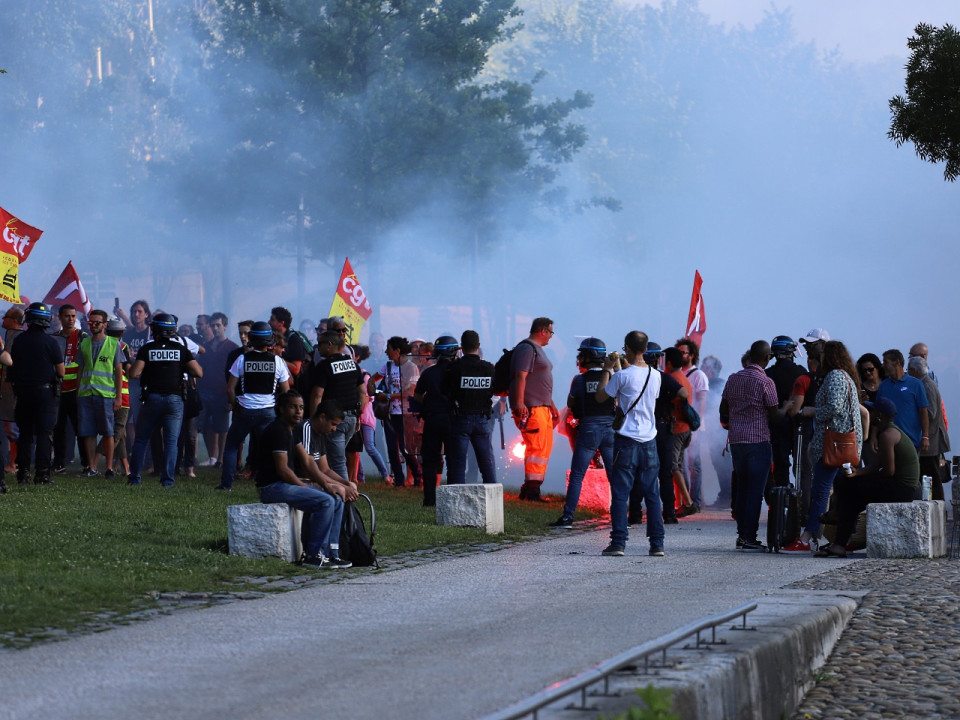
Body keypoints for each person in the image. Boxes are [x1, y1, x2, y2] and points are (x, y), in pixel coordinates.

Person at [783, 340, 864, 554]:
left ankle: (808, 537)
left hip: (833, 445)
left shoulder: (835, 376)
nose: (818, 358)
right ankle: (840, 538)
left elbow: (835, 407)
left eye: (822, 355)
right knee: (841, 493)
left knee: (820, 492)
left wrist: (813, 411)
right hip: (841, 443)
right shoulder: (845, 376)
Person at [256, 392, 352, 569]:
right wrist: (307, 488)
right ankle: (313, 555)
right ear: (282, 409)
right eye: (293, 407)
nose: (298, 412)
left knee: (336, 499)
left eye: (301, 407)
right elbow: (283, 470)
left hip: (285, 485)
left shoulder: (292, 431)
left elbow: (308, 461)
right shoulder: (278, 430)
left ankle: (332, 554)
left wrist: (329, 485)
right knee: (324, 501)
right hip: (272, 487)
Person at [816, 397, 919, 558]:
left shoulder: (888, 436)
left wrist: (861, 479)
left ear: (879, 416)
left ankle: (836, 514)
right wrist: (858, 473)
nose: (869, 414)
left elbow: (888, 471)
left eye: (873, 411)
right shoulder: (890, 431)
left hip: (902, 489)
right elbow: (877, 464)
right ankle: (840, 544)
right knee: (852, 496)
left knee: (847, 485)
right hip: (900, 486)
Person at [595, 331, 665, 557]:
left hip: (626, 441)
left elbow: (600, 397)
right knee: (652, 494)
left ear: (626, 347)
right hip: (649, 441)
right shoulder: (656, 375)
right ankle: (657, 544)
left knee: (621, 493)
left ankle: (618, 543)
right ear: (645, 349)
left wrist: (607, 368)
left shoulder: (621, 376)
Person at [126, 313, 202, 488]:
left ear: (154, 329)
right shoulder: (181, 349)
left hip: (151, 399)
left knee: (141, 439)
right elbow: (199, 372)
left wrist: (129, 365)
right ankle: (168, 480)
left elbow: (135, 373)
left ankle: (134, 478)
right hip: (175, 400)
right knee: (171, 441)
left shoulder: (147, 348)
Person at [720, 340, 781, 552]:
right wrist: (790, 408)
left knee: (743, 490)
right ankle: (749, 537)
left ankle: (741, 535)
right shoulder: (766, 382)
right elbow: (775, 415)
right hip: (758, 442)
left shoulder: (733, 378)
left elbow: (723, 410)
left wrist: (737, 421)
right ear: (766, 358)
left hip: (737, 442)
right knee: (755, 492)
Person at [217, 321, 291, 490]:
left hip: (245, 410)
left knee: (232, 446)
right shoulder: (278, 361)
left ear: (251, 338)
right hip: (268, 412)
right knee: (271, 449)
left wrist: (235, 405)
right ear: (270, 340)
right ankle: (270, 482)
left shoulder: (242, 359)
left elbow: (230, 388)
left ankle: (226, 484)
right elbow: (286, 391)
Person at [550, 337, 616, 528]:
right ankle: (620, 516)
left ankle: (568, 517)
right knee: (614, 475)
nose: (579, 358)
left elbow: (571, 404)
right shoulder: (612, 377)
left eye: (582, 354)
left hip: (589, 428)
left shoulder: (579, 380)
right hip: (610, 428)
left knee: (578, 474)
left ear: (589, 356)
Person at [510, 317, 559, 502]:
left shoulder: (537, 350)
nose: (551, 337)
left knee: (542, 449)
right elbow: (520, 376)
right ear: (542, 331)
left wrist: (551, 405)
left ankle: (531, 488)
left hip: (542, 407)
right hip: (531, 408)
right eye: (551, 333)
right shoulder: (526, 349)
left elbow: (539, 382)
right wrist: (520, 403)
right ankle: (532, 492)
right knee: (536, 449)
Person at [9, 302, 58, 486]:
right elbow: (60, 371)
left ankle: (23, 473)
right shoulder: (51, 342)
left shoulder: (18, 340)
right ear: (47, 320)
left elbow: (13, 369)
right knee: (45, 434)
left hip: (23, 393)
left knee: (25, 434)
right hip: (45, 394)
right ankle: (42, 474)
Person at [309, 329, 366, 482]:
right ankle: (334, 492)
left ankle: (345, 498)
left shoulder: (324, 366)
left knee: (337, 462)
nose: (317, 347)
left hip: (333, 421)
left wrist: (314, 420)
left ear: (329, 345)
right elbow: (362, 393)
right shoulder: (352, 364)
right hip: (351, 419)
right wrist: (357, 412)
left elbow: (317, 396)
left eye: (320, 344)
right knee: (334, 459)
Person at [443, 330, 497, 488]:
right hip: (482, 420)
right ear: (478, 346)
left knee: (458, 462)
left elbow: (444, 389)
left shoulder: (455, 367)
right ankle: (493, 498)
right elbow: (494, 390)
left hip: (461, 419)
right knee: (486, 463)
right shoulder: (488, 368)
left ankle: (457, 501)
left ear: (462, 347)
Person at [76, 309, 125, 477]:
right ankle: (92, 467)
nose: (93, 325)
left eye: (97, 322)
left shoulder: (113, 343)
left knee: (108, 432)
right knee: (88, 432)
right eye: (91, 322)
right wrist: (78, 392)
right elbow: (80, 370)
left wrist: (118, 397)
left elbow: (119, 372)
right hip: (86, 395)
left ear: (105, 325)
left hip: (105, 396)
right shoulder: (84, 343)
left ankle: (109, 467)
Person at [367, 336, 421, 487]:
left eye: (389, 349)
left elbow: (410, 391)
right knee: (392, 448)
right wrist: (371, 386)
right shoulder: (388, 365)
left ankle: (418, 477)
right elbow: (374, 378)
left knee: (405, 449)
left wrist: (389, 395)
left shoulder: (411, 367)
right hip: (390, 413)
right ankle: (399, 480)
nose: (386, 351)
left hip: (405, 414)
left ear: (397, 351)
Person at [414, 335, 458, 506]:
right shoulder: (457, 371)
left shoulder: (429, 372)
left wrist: (430, 403)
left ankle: (429, 499)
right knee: (453, 459)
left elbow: (417, 396)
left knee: (430, 460)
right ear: (454, 351)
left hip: (432, 420)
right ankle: (453, 498)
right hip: (452, 420)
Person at [51, 304, 88, 473]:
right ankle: (59, 463)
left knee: (81, 427)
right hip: (58, 389)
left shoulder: (82, 336)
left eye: (73, 316)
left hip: (76, 390)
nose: (71, 319)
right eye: (67, 316)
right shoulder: (54, 338)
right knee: (58, 428)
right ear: (60, 317)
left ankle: (86, 462)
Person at [765, 336, 806, 490]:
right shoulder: (801, 373)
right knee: (801, 466)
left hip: (775, 425)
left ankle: (779, 501)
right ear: (791, 352)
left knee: (780, 465)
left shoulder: (767, 374)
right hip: (798, 425)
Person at [197, 312, 237, 468]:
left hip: (223, 392)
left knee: (222, 427)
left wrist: (231, 396)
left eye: (218, 325)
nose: (215, 328)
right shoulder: (206, 347)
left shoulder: (232, 348)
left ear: (225, 326)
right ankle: (211, 457)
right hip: (205, 391)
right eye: (212, 325)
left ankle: (221, 458)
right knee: (205, 426)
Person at [907, 356, 950, 499]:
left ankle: (938, 506)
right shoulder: (924, 384)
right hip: (928, 440)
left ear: (914, 370)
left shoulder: (927, 385)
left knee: (932, 477)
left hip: (931, 441)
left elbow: (931, 413)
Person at [675, 337, 708, 512]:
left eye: (684, 352)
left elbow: (702, 402)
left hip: (694, 427)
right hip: (681, 426)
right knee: (681, 465)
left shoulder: (699, 375)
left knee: (694, 465)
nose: (681, 355)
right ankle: (685, 500)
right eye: (678, 352)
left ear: (692, 355)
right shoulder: (678, 373)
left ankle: (694, 501)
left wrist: (696, 427)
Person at [664, 347, 696, 517]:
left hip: (676, 429)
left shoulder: (672, 379)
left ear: (668, 362)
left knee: (673, 466)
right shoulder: (684, 377)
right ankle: (681, 503)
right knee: (678, 466)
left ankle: (688, 503)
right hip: (685, 428)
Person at [876, 349, 929, 452]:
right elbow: (877, 412)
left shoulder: (915, 384)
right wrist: (874, 436)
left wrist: (925, 437)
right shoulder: (883, 385)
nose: (883, 365)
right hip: (888, 441)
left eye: (886, 362)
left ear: (897, 363)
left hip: (911, 441)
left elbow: (923, 412)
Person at [117, 299, 151, 460]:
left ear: (146, 314)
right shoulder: (129, 333)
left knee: (140, 421)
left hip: (143, 381)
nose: (136, 315)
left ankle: (142, 457)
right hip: (127, 379)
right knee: (125, 421)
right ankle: (126, 455)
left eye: (139, 311)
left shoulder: (149, 333)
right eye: (134, 312)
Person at [269, 306, 308, 379]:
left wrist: (276, 359)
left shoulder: (294, 340)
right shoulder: (271, 338)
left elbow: (296, 369)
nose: (269, 322)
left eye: (272, 320)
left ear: (281, 323)